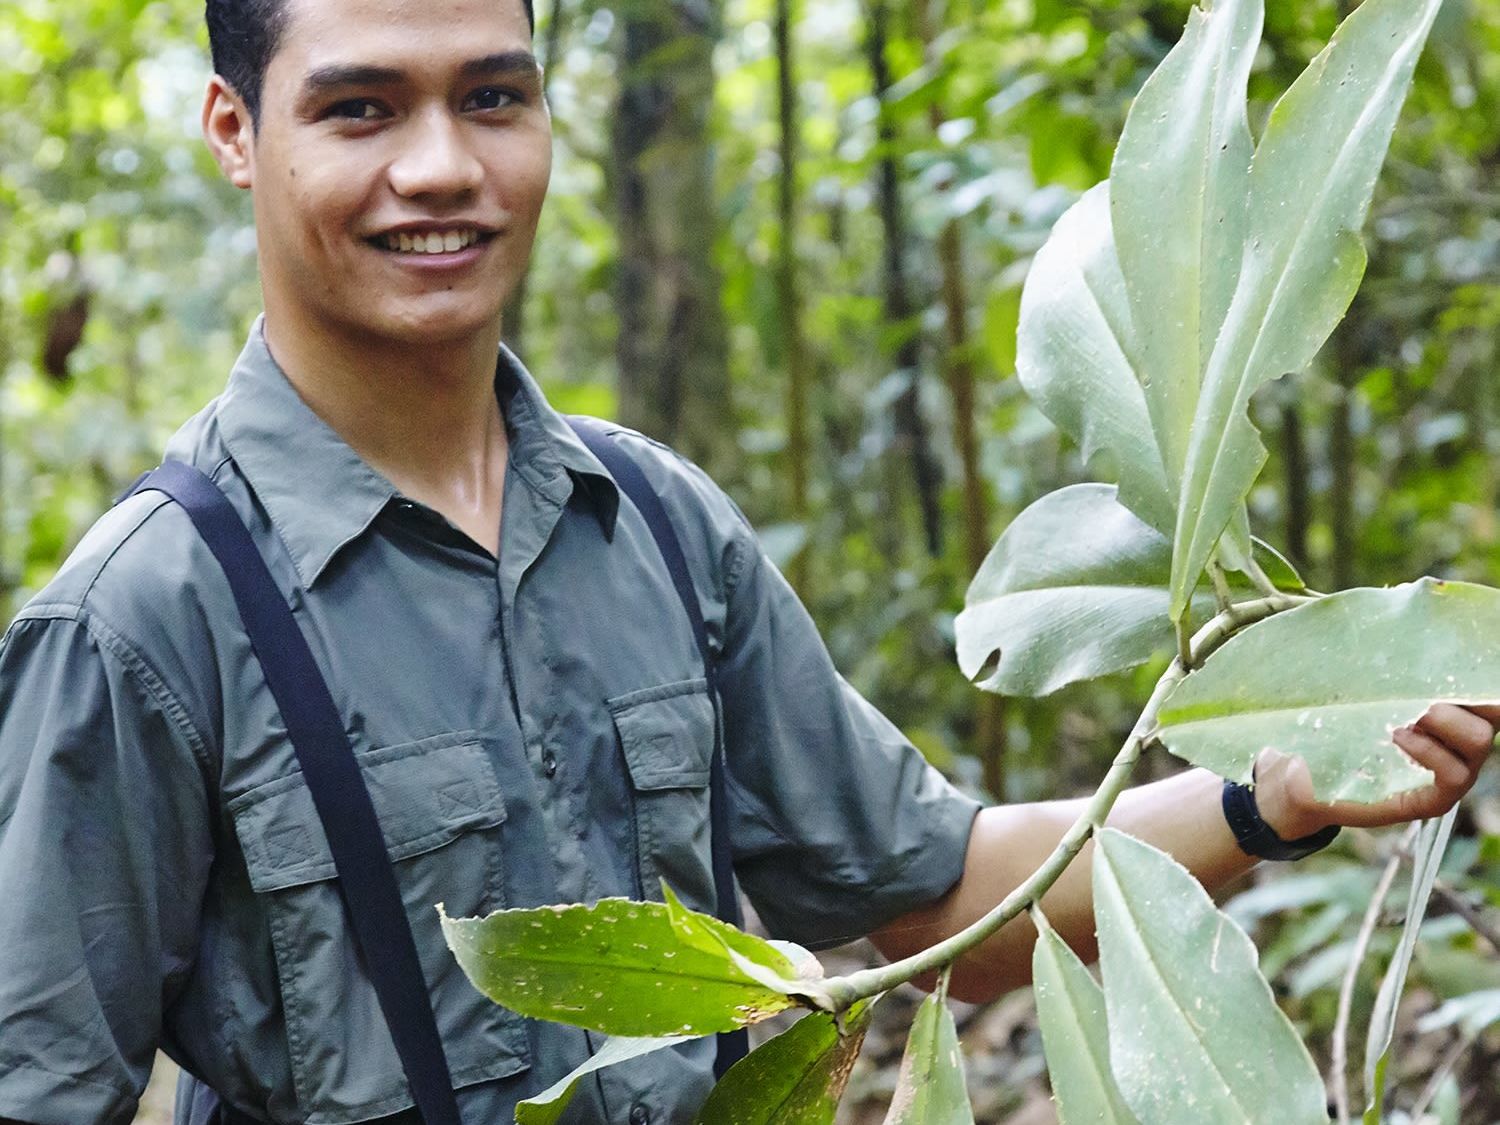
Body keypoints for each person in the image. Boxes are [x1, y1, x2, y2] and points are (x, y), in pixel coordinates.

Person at [0, 0, 1493, 1121]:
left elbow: (940, 899)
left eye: (492, 96)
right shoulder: (145, 617)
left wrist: (1271, 795)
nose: (442, 167)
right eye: (362, 110)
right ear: (234, 131)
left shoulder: (652, 523)